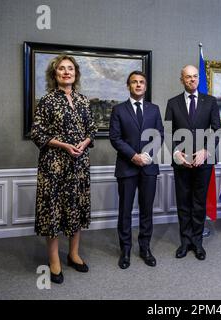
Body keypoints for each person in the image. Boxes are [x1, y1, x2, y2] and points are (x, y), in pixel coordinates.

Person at [31, 55, 97, 284]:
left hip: (79, 165)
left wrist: (85, 142)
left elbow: (92, 129)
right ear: (55, 74)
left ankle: (73, 254)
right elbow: (37, 133)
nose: (66, 72)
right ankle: (53, 260)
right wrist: (64, 145)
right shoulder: (47, 100)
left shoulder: (83, 100)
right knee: (53, 211)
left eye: (70, 69)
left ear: (76, 74)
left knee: (75, 208)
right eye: (62, 69)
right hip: (54, 166)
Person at [165, 65, 221, 260]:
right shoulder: (172, 103)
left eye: (195, 76)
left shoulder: (210, 101)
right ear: (182, 80)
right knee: (183, 203)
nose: (192, 80)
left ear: (198, 79)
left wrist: (206, 151)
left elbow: (216, 129)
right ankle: (185, 242)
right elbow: (168, 132)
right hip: (181, 162)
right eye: (188, 77)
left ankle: (197, 243)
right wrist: (176, 153)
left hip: (203, 162)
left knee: (198, 203)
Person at [109, 70, 164, 269]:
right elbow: (115, 138)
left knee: (146, 210)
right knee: (125, 211)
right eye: (134, 82)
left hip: (149, 167)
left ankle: (145, 248)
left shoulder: (154, 109)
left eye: (141, 82)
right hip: (127, 167)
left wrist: (147, 155)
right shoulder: (119, 110)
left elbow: (159, 136)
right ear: (129, 86)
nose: (138, 85)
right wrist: (134, 156)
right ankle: (125, 250)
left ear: (145, 86)